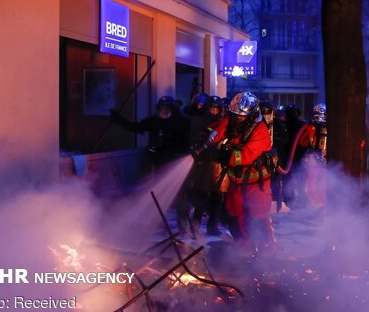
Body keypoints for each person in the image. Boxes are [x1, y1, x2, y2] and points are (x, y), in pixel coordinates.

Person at [110, 96, 191, 234]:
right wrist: (118, 119)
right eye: (161, 108)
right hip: (159, 163)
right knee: (159, 193)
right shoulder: (154, 121)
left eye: (166, 108)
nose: (163, 111)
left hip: (177, 163)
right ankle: (157, 222)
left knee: (180, 195)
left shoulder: (182, 121)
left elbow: (191, 135)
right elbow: (135, 127)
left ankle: (183, 226)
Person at [207, 91, 275, 250]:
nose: (237, 118)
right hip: (236, 184)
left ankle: (266, 256)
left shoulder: (260, 131)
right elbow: (217, 130)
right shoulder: (233, 121)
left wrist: (222, 155)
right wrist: (205, 138)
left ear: (250, 116)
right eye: (235, 115)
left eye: (241, 116)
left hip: (256, 186)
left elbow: (244, 156)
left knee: (257, 221)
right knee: (233, 217)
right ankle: (243, 250)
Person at [188, 96, 227, 236]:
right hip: (204, 164)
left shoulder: (224, 123)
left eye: (217, 108)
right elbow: (194, 140)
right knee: (202, 195)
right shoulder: (199, 121)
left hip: (221, 164)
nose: (214, 110)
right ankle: (195, 224)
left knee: (218, 197)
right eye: (212, 107)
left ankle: (213, 225)